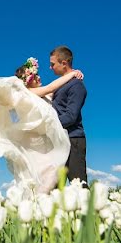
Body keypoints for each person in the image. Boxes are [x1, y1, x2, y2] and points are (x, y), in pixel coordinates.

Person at [0, 56, 84, 193]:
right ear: (28, 81)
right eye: (35, 76)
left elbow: (55, 90)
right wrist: (72, 73)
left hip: (49, 141)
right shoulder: (30, 92)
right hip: (42, 143)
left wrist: (70, 76)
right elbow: (51, 87)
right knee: (48, 182)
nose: (39, 78)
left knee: (52, 181)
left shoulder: (42, 94)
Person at [49, 45, 88, 185]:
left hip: (73, 140)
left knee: (78, 184)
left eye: (52, 64)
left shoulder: (76, 86)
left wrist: (48, 125)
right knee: (52, 186)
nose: (50, 67)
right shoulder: (61, 84)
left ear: (64, 63)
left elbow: (71, 116)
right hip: (59, 140)